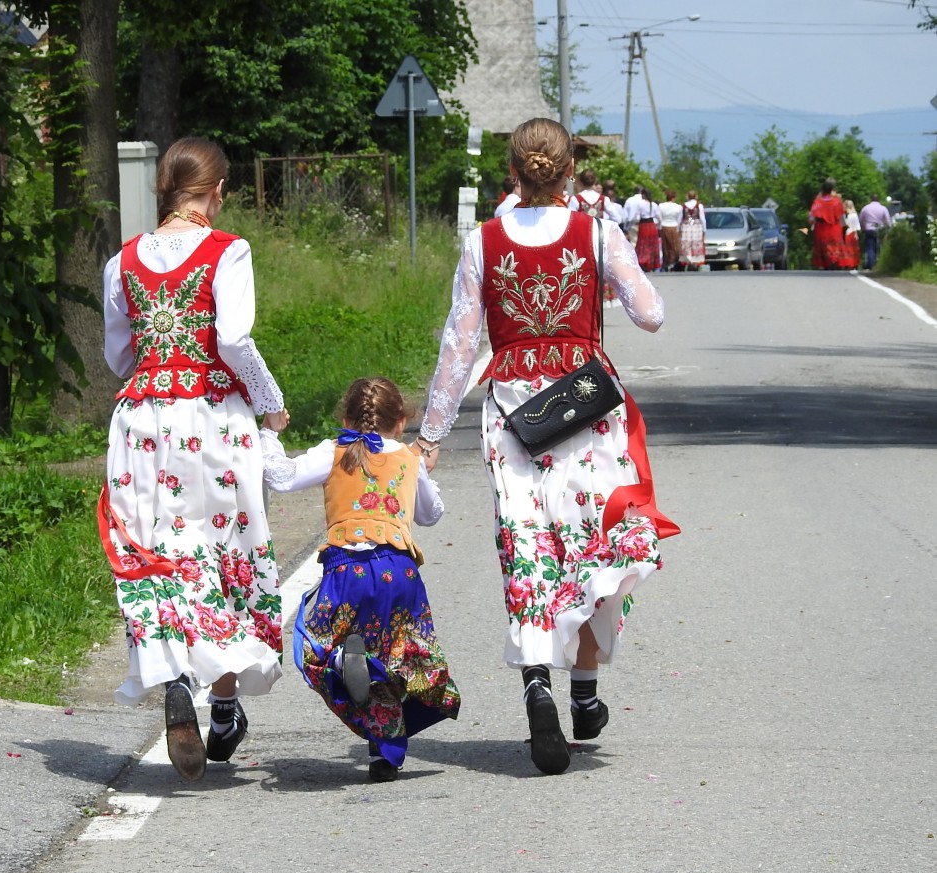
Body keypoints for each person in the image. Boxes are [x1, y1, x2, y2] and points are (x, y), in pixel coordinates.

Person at [415, 117, 680, 777]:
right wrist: (603, 293)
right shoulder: (597, 232)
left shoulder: (484, 242)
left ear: (512, 175)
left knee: (529, 546)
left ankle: (537, 682)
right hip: (585, 404)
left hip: (513, 412)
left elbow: (459, 344)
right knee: (592, 544)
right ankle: (585, 695)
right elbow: (651, 312)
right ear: (569, 173)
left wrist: (430, 433)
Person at [100, 136, 288, 782]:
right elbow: (232, 337)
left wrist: (155, 372)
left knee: (155, 553)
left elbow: (118, 354)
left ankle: (176, 677)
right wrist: (270, 400)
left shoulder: (122, 261)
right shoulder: (226, 251)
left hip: (142, 419)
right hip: (209, 416)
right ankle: (225, 702)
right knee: (220, 552)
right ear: (216, 192)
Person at [261, 377, 460, 782]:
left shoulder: (334, 451)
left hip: (346, 568)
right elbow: (431, 513)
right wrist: (423, 472)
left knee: (315, 648)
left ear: (347, 418)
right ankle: (383, 755)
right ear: (401, 422)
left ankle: (340, 659)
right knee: (399, 655)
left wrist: (270, 433)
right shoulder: (408, 457)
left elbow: (280, 477)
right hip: (398, 570)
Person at [809, 178, 845, 270]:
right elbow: (841, 217)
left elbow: (812, 217)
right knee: (834, 246)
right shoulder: (837, 202)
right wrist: (844, 226)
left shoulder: (817, 202)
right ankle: (834, 261)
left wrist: (811, 224)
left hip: (821, 229)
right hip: (834, 228)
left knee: (823, 247)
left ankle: (825, 263)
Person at [859, 194, 891, 270]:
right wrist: (888, 228)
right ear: (878, 200)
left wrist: (862, 228)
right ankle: (879, 262)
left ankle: (870, 264)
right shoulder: (883, 208)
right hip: (880, 229)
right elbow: (887, 220)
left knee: (870, 247)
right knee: (879, 246)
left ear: (871, 199)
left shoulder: (865, 208)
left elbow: (861, 219)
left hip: (869, 229)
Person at [635, 187, 662, 272]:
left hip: (643, 224)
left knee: (643, 243)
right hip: (652, 224)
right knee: (652, 244)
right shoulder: (653, 204)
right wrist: (659, 226)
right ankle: (652, 262)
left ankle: (643, 262)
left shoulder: (640, 204)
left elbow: (637, 216)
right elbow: (659, 217)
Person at [679, 190, 706, 270]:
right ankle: (696, 260)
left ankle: (688, 259)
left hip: (686, 226)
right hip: (696, 227)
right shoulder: (699, 206)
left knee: (687, 243)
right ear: (696, 196)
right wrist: (704, 230)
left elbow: (680, 218)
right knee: (695, 242)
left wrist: (678, 229)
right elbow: (702, 218)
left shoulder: (683, 206)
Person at [658, 189, 683, 271]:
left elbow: (659, 217)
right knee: (674, 246)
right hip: (674, 226)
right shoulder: (678, 207)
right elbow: (679, 219)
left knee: (665, 246)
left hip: (664, 226)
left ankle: (667, 262)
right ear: (673, 198)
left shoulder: (661, 206)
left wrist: (660, 225)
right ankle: (672, 262)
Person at [841, 198, 861, 269]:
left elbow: (842, 224)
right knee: (853, 249)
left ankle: (846, 263)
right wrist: (856, 234)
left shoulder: (843, 214)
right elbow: (856, 226)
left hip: (845, 233)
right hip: (852, 233)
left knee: (846, 249)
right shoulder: (854, 215)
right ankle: (854, 264)